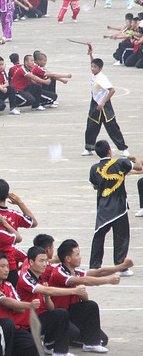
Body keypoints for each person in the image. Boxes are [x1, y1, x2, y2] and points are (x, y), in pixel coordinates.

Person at [49, 239, 132, 352]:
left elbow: (98, 272)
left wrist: (121, 266)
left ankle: (90, 344)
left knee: (101, 336)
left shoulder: (75, 270)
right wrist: (108, 281)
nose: (80, 257)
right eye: (77, 254)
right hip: (60, 314)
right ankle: (55, 339)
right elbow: (85, 280)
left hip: (72, 312)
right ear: (67, 259)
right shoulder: (59, 272)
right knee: (73, 333)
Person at [88, 140, 142, 273]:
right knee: (121, 236)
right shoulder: (119, 162)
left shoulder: (94, 168)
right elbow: (139, 168)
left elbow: (95, 186)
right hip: (119, 208)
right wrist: (135, 159)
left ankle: (94, 267)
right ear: (109, 151)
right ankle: (121, 266)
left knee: (99, 237)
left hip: (103, 208)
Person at [0, 253, 40, 356]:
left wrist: (18, 304)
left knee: (31, 344)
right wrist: (29, 305)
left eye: (7, 266)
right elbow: (4, 301)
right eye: (2, 266)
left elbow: (20, 309)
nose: (6, 270)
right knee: (7, 325)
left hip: (9, 325)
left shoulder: (8, 285)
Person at [83, 50, 129, 156]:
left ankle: (123, 148)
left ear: (100, 68)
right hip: (95, 103)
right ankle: (89, 148)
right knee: (91, 127)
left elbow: (112, 90)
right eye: (92, 66)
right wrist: (91, 54)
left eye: (95, 67)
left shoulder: (101, 78)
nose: (92, 68)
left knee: (112, 127)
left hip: (103, 105)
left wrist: (103, 102)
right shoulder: (95, 74)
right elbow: (94, 62)